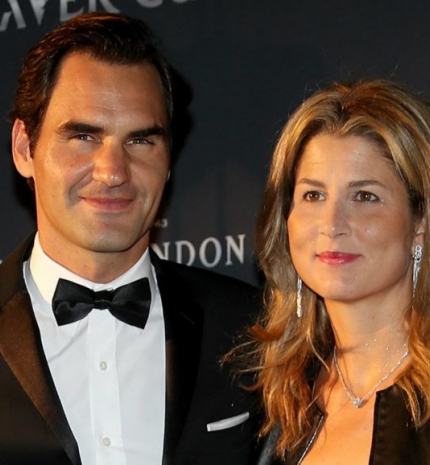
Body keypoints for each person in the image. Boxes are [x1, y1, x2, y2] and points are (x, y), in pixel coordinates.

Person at [1, 12, 258, 465]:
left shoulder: (253, 329)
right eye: (84, 136)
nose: (113, 172)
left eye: (140, 141)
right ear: (25, 148)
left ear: (169, 157)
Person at [250, 80, 430, 464]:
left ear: (420, 222)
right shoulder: (278, 403)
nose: (331, 224)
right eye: (313, 195)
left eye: (364, 196)